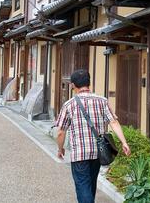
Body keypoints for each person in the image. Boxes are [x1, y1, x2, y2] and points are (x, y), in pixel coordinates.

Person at [55, 69, 131, 203]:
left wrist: (60, 149)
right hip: (98, 152)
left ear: (73, 85)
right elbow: (113, 122)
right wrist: (124, 142)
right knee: (91, 186)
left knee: (83, 187)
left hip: (79, 154)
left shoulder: (69, 104)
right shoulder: (102, 101)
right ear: (89, 83)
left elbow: (61, 131)